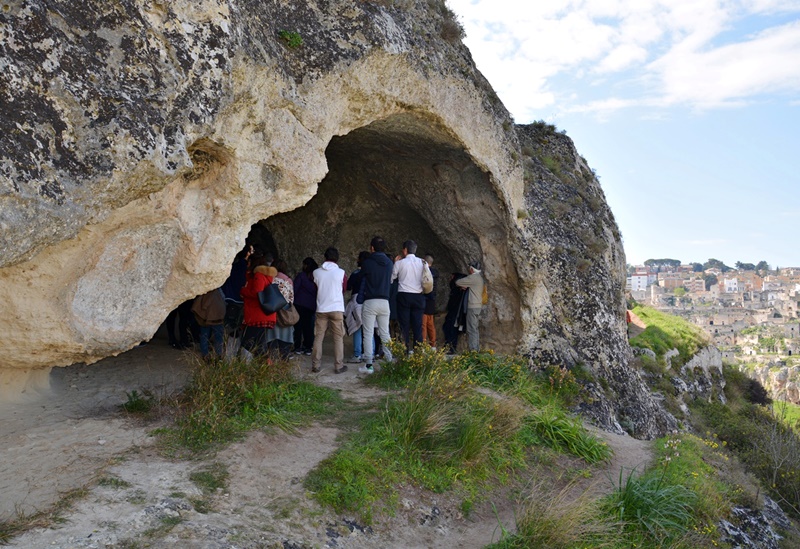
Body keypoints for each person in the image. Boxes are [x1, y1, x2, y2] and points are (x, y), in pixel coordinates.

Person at [357, 236, 395, 374]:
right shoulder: (390, 263)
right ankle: (390, 361)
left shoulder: (367, 263)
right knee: (385, 333)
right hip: (385, 302)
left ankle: (368, 366)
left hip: (370, 301)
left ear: (372, 248)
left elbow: (361, 277)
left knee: (368, 333)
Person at [311, 247, 348, 374]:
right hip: (336, 308)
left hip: (321, 308)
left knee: (319, 336)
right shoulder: (342, 273)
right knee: (338, 338)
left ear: (325, 257)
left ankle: (316, 365)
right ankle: (339, 366)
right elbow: (344, 288)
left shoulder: (316, 273)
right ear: (337, 258)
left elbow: (315, 288)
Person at [239, 252, 278, 357]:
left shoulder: (258, 275)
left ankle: (264, 361)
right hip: (263, 315)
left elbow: (257, 292)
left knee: (247, 342)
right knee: (260, 342)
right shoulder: (265, 276)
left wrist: (243, 291)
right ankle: (264, 364)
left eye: (249, 262)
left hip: (257, 315)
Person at [391, 240, 426, 353]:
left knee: (404, 325)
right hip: (418, 296)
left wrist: (394, 263)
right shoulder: (422, 262)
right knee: (417, 326)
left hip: (404, 295)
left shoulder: (399, 263)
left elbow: (392, 278)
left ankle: (404, 350)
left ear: (405, 250)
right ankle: (418, 352)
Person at [267, 259, 296, 359]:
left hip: (271, 312)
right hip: (284, 313)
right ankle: (284, 359)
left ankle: (270, 360)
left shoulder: (269, 279)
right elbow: (291, 299)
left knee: (271, 339)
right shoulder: (288, 280)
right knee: (285, 340)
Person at [345, 251, 370, 363]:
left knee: (357, 328)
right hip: (369, 300)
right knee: (369, 329)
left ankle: (357, 354)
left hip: (357, 301)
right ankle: (370, 354)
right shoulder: (370, 273)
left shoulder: (356, 273)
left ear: (360, 260)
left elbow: (349, 287)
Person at [455, 260, 485, 351]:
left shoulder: (473, 278)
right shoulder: (479, 278)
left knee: (471, 329)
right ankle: (476, 348)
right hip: (478, 306)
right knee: (475, 328)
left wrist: (465, 285)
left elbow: (458, 282)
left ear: (472, 269)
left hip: (472, 306)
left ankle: (473, 350)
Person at [191, 288, 227, 358]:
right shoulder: (218, 291)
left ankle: (205, 355)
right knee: (218, 337)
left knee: (204, 336)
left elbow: (201, 304)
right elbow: (224, 300)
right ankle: (218, 355)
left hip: (205, 317)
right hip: (217, 317)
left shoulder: (204, 290)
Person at [293, 257, 318, 355]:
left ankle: (297, 347)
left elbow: (295, 289)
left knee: (298, 326)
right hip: (311, 305)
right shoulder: (316, 277)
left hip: (299, 304)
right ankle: (308, 347)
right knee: (309, 327)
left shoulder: (301, 276)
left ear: (306, 265)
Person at [443, 272, 468, 354]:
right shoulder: (457, 289)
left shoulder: (458, 290)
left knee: (452, 328)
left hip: (456, 313)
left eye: (452, 277)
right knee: (448, 327)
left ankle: (451, 347)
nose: (450, 279)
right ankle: (448, 345)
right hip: (454, 312)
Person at [422, 254, 439, 349]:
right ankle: (433, 344)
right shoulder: (435, 272)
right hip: (432, 300)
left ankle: (423, 344)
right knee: (430, 324)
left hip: (424, 299)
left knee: (423, 324)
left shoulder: (425, 271)